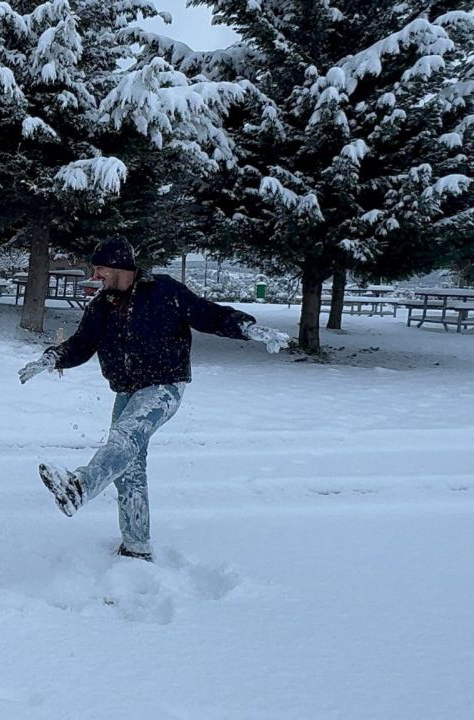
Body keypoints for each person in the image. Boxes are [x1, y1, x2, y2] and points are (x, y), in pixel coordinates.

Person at [20, 237, 289, 561]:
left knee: (124, 438)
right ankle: (136, 546)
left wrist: (247, 327)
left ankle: (80, 487)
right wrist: (52, 358)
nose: (97, 275)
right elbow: (81, 344)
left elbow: (209, 315)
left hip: (163, 387)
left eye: (101, 269)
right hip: (126, 391)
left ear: (119, 266)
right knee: (129, 467)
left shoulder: (163, 292)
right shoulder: (101, 306)